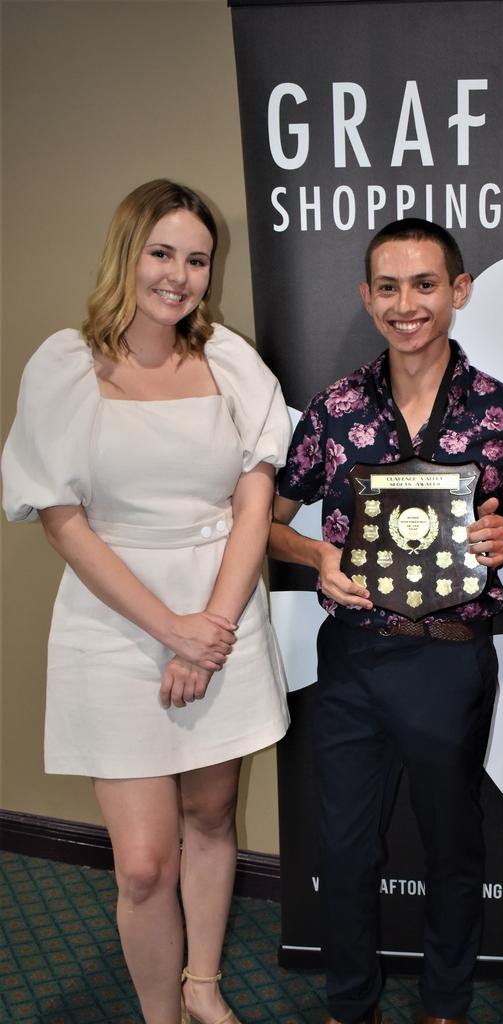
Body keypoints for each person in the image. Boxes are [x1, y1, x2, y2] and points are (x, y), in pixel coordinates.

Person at [2, 179, 292, 1024]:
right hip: (115, 629)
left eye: (196, 259)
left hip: (222, 609)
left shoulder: (231, 362)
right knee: (140, 865)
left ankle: (201, 986)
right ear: (127, 255)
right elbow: (63, 522)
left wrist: (213, 629)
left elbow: (253, 503)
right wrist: (172, 632)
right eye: (162, 253)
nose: (178, 275)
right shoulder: (64, 365)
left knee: (210, 814)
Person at [269, 218, 503, 1024]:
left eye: (425, 284)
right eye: (388, 287)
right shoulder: (334, 409)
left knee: (453, 847)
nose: (407, 304)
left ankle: (443, 1006)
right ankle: (351, 1004)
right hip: (354, 656)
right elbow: (270, 516)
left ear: (458, 292)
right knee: (347, 849)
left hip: (452, 659)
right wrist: (314, 557)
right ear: (365, 296)